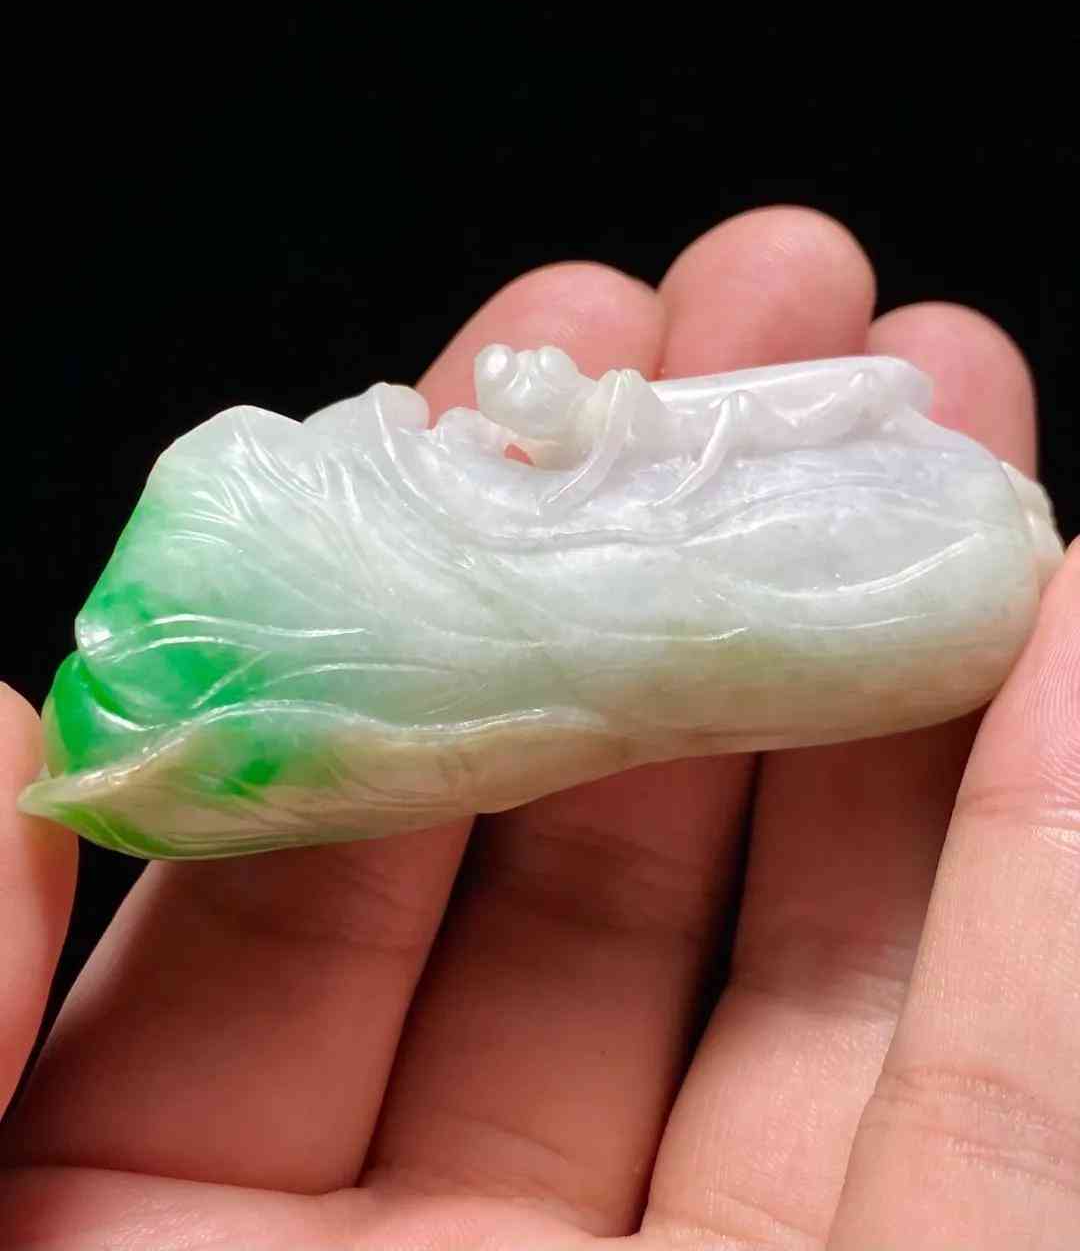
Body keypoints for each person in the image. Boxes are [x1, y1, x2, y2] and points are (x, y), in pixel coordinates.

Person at [1, 207, 1076, 1250]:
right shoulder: (912, 565)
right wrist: (608, 429)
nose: (380, 413)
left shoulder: (906, 568)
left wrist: (606, 429)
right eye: (349, 463)